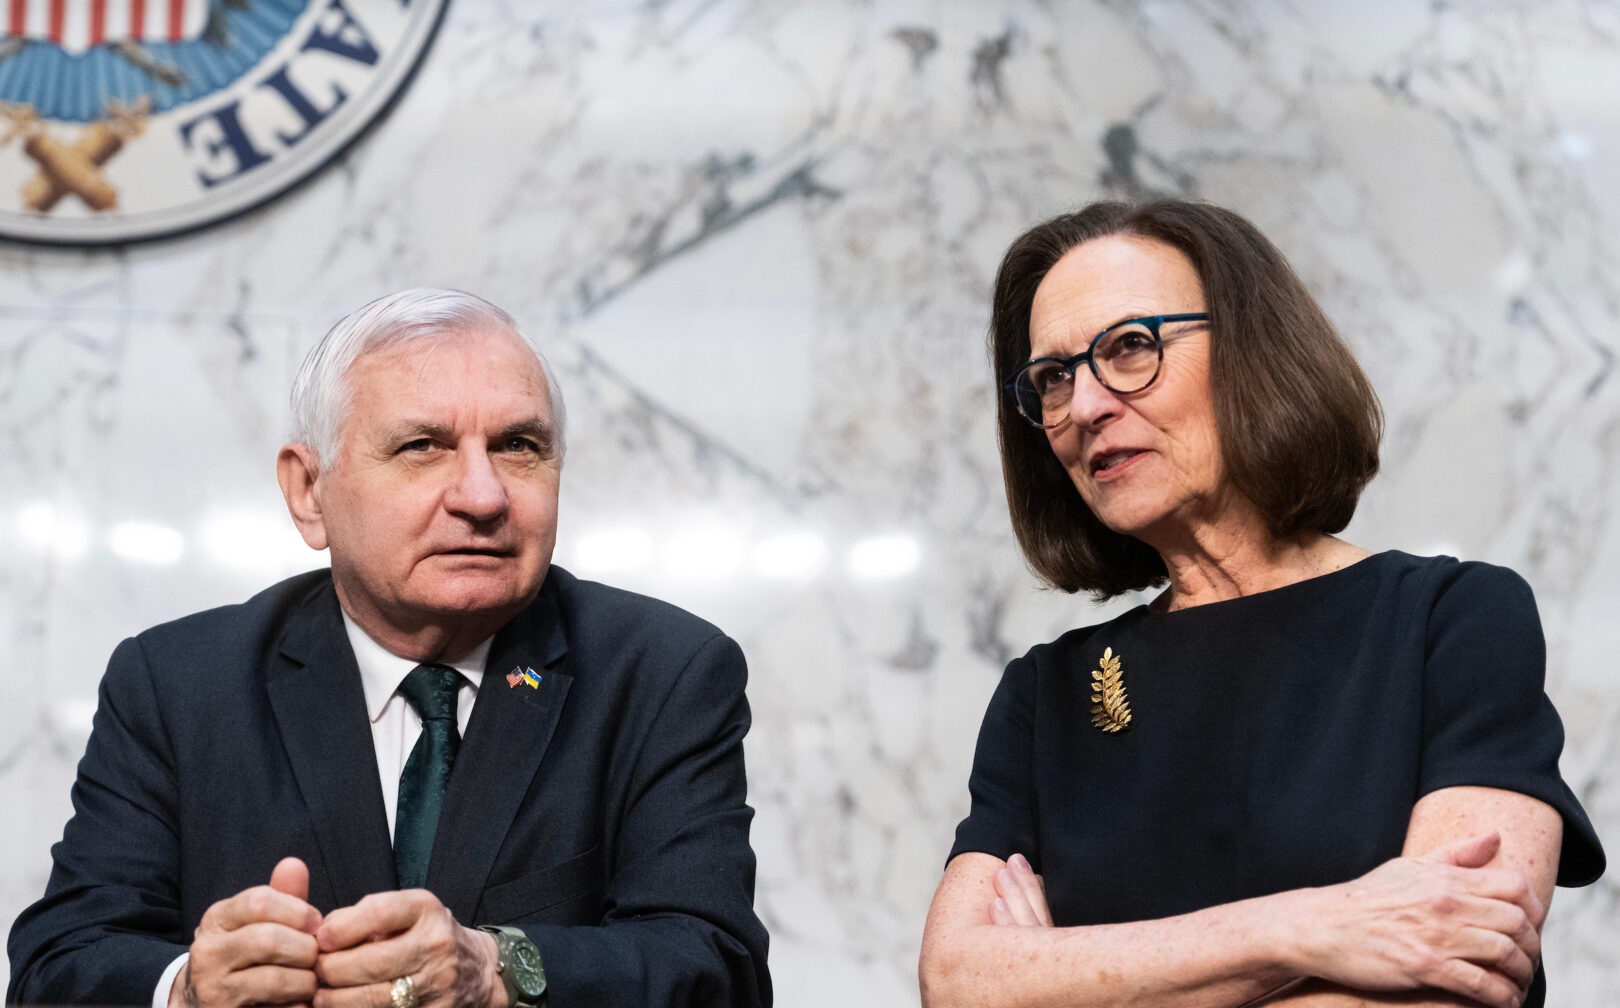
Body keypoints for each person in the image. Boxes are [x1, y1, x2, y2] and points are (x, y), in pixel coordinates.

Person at [918, 200, 1604, 1008]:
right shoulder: (1046, 698)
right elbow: (961, 981)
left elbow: (1454, 966)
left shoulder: (1450, 619)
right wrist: (1315, 927)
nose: (1087, 407)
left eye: (1130, 346)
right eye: (1054, 377)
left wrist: (1076, 979)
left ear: (1252, 351)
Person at [7, 290, 771, 1008]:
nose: (483, 496)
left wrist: (502, 971)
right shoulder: (177, 684)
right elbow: (57, 963)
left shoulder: (663, 673)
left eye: (518, 446)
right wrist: (186, 986)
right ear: (309, 493)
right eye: (421, 447)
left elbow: (718, 965)